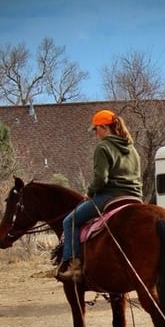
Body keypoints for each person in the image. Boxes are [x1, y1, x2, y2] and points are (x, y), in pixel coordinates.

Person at [56, 109, 142, 282]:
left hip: (110, 196)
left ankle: (73, 266)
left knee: (69, 221)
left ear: (104, 127)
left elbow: (101, 179)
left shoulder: (103, 147)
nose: (95, 133)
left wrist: (90, 192)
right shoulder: (131, 148)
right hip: (135, 197)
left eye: (96, 129)